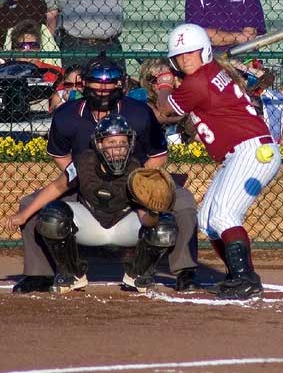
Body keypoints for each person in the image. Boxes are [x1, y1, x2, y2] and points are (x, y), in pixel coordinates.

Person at [12, 55, 198, 294]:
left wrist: (139, 182)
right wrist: (82, 177)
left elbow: (159, 154)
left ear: (120, 84)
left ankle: (186, 271)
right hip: (86, 182)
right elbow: (59, 155)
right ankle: (39, 274)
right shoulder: (67, 115)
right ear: (83, 84)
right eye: (96, 82)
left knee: (183, 202)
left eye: (110, 83)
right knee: (31, 204)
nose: (103, 89)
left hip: (135, 181)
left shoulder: (139, 113)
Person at [157, 23, 282, 300]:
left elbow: (166, 112)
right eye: (179, 56)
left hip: (252, 151)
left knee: (225, 215)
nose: (185, 59)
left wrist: (164, 84)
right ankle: (237, 274)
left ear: (205, 52)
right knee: (208, 221)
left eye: (191, 53)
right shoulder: (210, 72)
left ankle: (245, 278)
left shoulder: (198, 81)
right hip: (240, 153)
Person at [4, 114, 177, 294]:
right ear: (99, 144)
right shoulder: (82, 162)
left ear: (130, 144)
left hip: (124, 224)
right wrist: (23, 215)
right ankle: (72, 274)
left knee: (164, 225)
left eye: (122, 143)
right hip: (90, 222)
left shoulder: (137, 170)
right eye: (111, 143)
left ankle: (138, 274)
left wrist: (153, 214)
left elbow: (145, 218)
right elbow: (56, 187)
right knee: (52, 216)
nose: (118, 149)